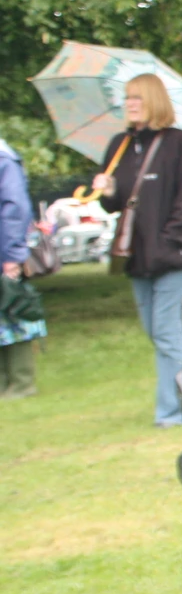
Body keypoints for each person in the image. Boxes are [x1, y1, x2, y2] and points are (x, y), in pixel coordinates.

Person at [93, 72, 182, 427]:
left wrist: (170, 240)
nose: (130, 104)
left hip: (173, 259)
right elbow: (114, 207)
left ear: (153, 101)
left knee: (169, 333)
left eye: (137, 98)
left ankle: (175, 412)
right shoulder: (119, 146)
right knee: (156, 333)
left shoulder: (177, 143)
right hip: (135, 258)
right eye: (127, 98)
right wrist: (106, 189)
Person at [0, 136, 45, 398]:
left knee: (13, 312)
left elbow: (15, 207)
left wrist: (12, 255)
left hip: (4, 249)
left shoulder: (3, 158)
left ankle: (21, 383)